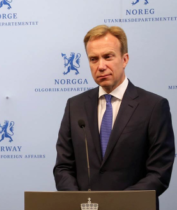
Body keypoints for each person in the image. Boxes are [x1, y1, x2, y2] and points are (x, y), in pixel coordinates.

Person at [53, 25, 175, 208]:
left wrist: (115, 204)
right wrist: (78, 203)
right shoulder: (75, 106)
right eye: (93, 59)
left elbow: (159, 173)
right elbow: (63, 167)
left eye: (108, 57)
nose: (101, 66)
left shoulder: (154, 106)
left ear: (124, 59)